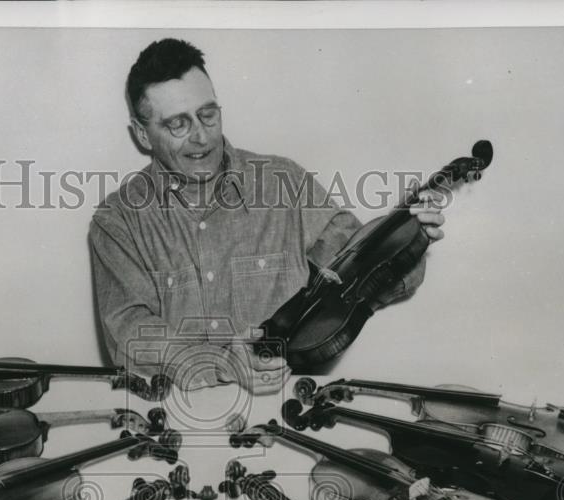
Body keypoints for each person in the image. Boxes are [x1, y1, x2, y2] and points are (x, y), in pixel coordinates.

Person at [89, 38, 445, 393]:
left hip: (284, 414)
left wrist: (408, 236)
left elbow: (357, 271)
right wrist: (222, 363)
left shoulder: (284, 183)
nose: (201, 136)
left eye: (208, 114)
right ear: (142, 133)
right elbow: (128, 331)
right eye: (178, 124)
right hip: (181, 419)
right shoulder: (117, 221)